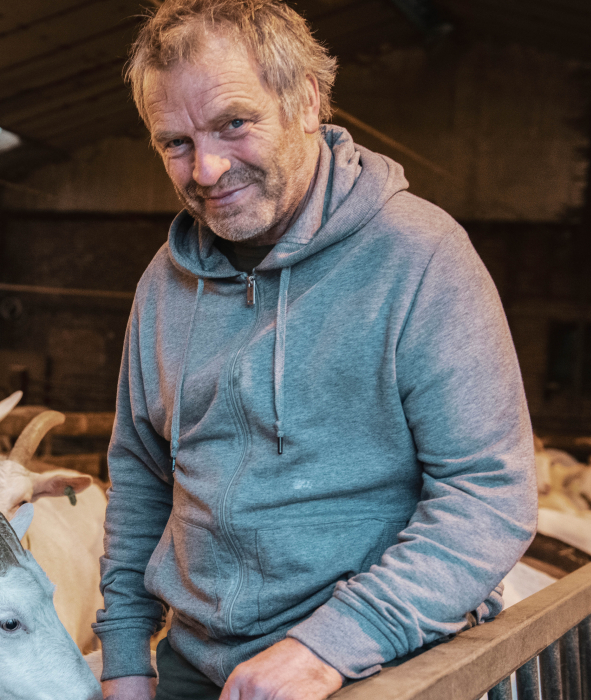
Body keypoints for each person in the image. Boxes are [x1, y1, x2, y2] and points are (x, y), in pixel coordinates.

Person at [94, 1, 536, 699]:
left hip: (384, 658)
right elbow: (141, 475)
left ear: (306, 101)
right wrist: (123, 656)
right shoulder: (164, 285)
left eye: (233, 124)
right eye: (174, 142)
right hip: (197, 663)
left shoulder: (419, 257)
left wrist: (326, 648)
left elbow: (490, 494)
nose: (205, 170)